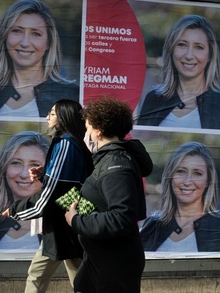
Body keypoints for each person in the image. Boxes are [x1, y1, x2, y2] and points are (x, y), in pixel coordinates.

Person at [2, 99, 93, 293]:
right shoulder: (73, 143)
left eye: (51, 114)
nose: (47, 118)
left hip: (66, 224)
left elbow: (52, 193)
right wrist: (45, 175)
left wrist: (17, 209)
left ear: (62, 118)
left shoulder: (66, 145)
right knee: (46, 275)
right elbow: (67, 185)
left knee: (72, 279)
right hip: (67, 223)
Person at [64, 97, 153, 293]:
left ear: (98, 131)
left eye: (87, 129)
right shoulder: (107, 159)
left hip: (114, 262)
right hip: (99, 256)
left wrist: (76, 221)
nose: (86, 134)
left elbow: (121, 218)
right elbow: (102, 201)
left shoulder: (116, 165)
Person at [0, 0, 79, 117]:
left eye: (36, 34)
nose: (25, 43)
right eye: (17, 31)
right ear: (4, 37)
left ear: (48, 42)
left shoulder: (70, 93)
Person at [137, 14, 220, 130]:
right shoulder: (154, 99)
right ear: (171, 50)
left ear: (210, 55)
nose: (189, 56)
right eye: (182, 45)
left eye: (198, 47)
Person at [139, 141, 220, 252]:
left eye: (197, 173)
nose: (187, 181)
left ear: (208, 181)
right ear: (170, 176)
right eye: (181, 171)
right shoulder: (153, 224)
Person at [0, 131, 49, 250]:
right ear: (4, 168)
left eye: (34, 165)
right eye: (16, 163)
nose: (24, 174)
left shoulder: (62, 219)